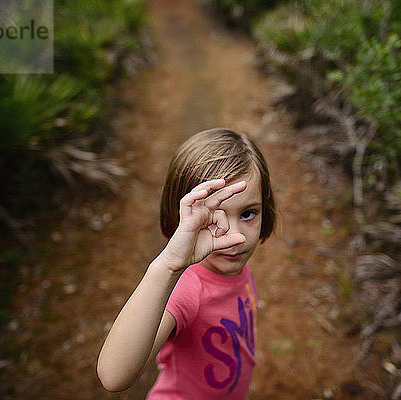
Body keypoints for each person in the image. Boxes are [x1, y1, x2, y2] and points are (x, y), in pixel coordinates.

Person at [97, 128, 276, 399]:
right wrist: (168, 265)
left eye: (248, 213)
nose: (235, 236)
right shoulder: (187, 288)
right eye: (213, 217)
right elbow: (114, 376)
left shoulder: (235, 265)